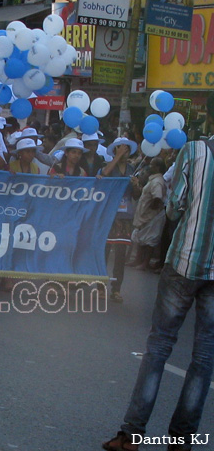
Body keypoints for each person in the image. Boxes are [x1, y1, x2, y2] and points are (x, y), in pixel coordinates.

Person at [102, 94, 214, 451]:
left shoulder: (195, 152)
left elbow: (175, 207)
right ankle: (182, 439)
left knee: (159, 347)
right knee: (204, 358)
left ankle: (131, 435)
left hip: (184, 262)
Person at [100, 136, 139, 303]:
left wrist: (137, 185)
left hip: (125, 217)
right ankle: (100, 286)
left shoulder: (132, 169)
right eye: (120, 148)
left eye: (126, 148)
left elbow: (136, 195)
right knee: (105, 251)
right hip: (109, 214)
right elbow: (104, 175)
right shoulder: (108, 167)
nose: (124, 151)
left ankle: (116, 289)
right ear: (114, 150)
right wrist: (116, 158)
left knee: (121, 254)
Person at [127, 157, 168, 271]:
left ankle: (145, 263)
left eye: (153, 165)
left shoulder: (158, 181)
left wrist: (152, 210)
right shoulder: (153, 180)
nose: (150, 167)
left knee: (150, 240)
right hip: (145, 215)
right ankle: (138, 260)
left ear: (158, 167)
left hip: (152, 216)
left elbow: (157, 198)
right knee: (140, 237)